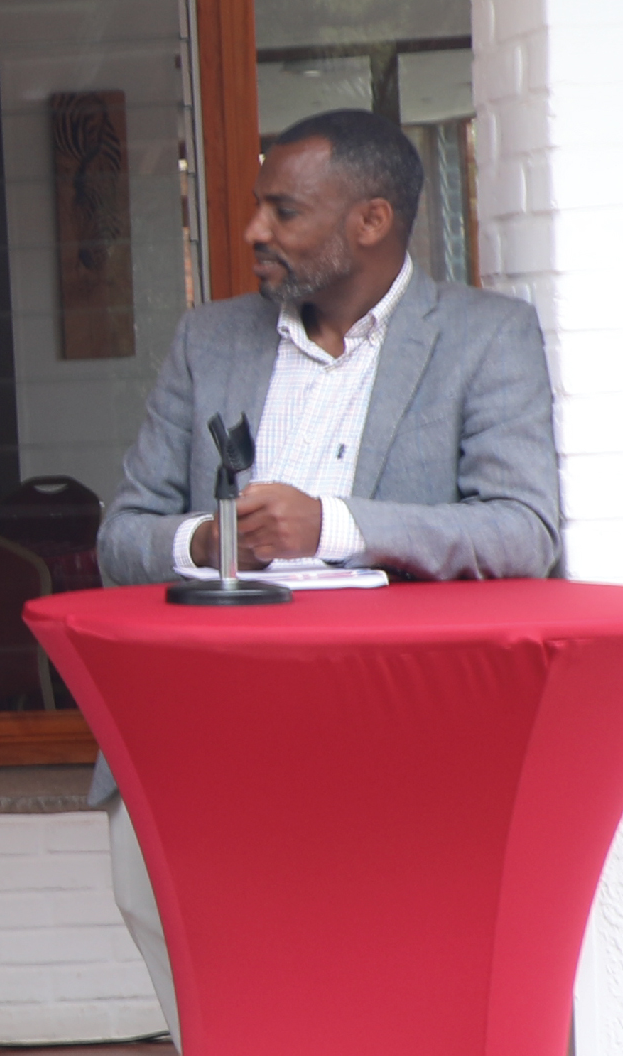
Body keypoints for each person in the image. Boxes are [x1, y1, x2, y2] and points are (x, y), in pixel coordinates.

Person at [91, 109, 569, 994]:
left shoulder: (482, 338)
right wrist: (209, 539)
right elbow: (121, 536)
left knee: (368, 992)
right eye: (255, 209)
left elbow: (521, 529)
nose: (251, 232)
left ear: (371, 221)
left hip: (389, 735)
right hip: (202, 727)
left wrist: (334, 528)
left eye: (282, 211)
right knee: (203, 981)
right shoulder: (209, 340)